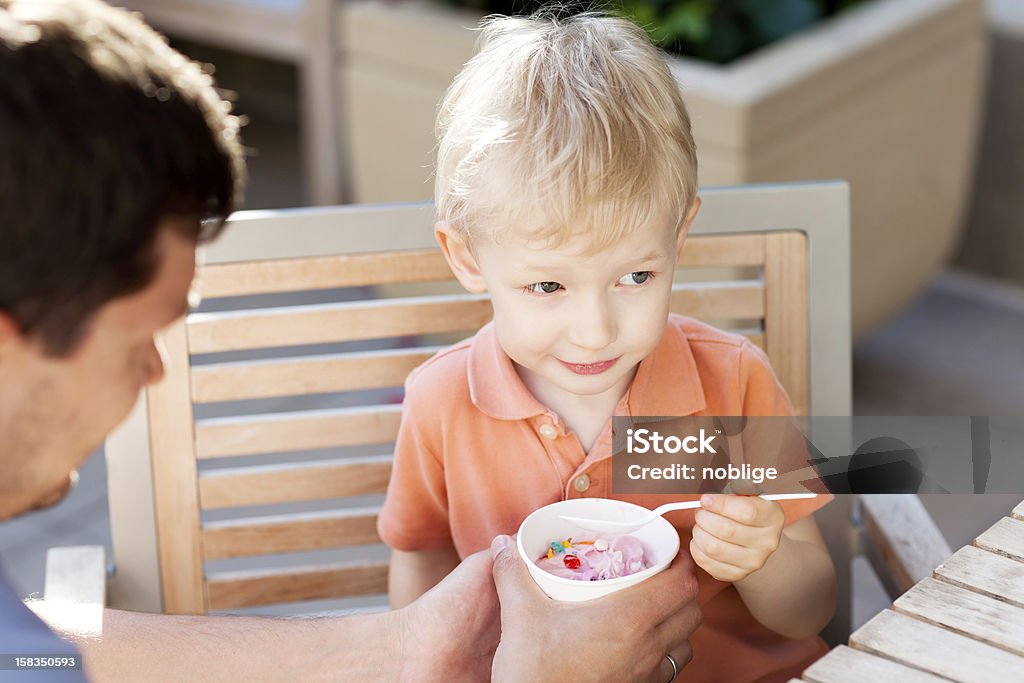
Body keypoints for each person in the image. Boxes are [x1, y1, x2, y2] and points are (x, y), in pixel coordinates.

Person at [0, 1, 702, 681]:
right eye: (138, 342)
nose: (156, 372)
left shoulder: (23, 644)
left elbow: (33, 652)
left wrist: (405, 651)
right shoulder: (444, 399)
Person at [378, 12, 837, 683]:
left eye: (634, 276)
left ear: (679, 237)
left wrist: (763, 555)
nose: (594, 330)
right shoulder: (441, 403)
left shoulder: (733, 383)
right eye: (547, 284)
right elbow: (421, 559)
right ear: (467, 257)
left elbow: (810, 608)